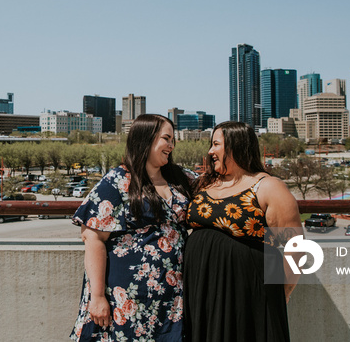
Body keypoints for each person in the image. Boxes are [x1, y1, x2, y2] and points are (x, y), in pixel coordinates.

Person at [71, 114, 192, 341]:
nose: (171, 145)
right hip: (126, 298)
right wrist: (97, 297)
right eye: (166, 138)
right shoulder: (117, 180)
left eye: (173, 139)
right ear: (146, 139)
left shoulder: (180, 178)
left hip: (171, 297)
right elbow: (92, 237)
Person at [183, 121, 302, 342]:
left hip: (247, 293)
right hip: (202, 287)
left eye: (216, 144)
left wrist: (282, 292)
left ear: (236, 145)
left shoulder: (268, 186)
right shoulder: (204, 184)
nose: (210, 151)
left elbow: (296, 248)